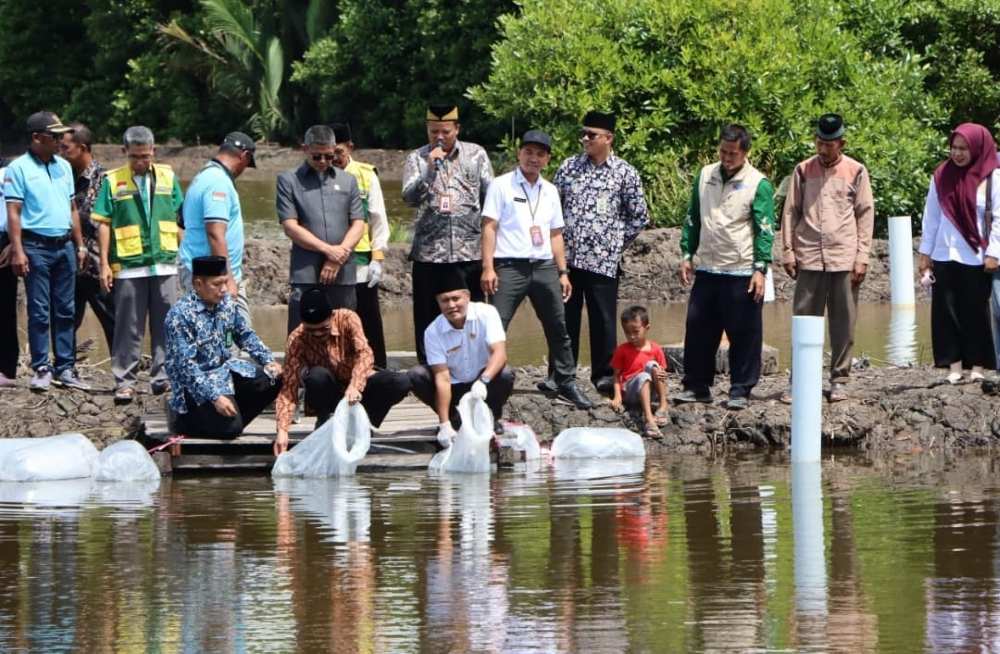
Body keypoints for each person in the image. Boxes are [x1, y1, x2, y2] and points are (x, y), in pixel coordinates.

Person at [480, 129, 592, 409]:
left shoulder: (551, 190)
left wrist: (563, 272)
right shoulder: (501, 185)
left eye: (540, 154)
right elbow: (489, 227)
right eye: (528, 152)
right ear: (519, 153)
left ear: (547, 159)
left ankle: (565, 380)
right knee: (496, 325)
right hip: (508, 266)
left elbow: (555, 234)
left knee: (558, 326)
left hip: (543, 267)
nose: (533, 158)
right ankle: (486, 382)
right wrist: (488, 267)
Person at [548, 110, 650, 397]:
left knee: (603, 319)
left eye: (591, 135)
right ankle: (559, 374)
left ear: (608, 138)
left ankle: (604, 375)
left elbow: (639, 216)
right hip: (568, 259)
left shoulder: (624, 173)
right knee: (564, 319)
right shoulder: (569, 168)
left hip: (603, 261)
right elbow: (553, 209)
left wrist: (616, 243)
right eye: (583, 133)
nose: (585, 139)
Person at [677, 124, 775, 409]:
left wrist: (760, 269)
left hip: (741, 270)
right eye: (722, 151)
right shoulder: (705, 175)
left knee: (744, 333)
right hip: (707, 267)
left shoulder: (759, 183)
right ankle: (697, 386)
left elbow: (765, 229)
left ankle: (740, 389)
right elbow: (693, 217)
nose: (726, 157)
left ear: (745, 152)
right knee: (698, 328)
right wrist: (686, 253)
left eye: (732, 153)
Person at [781, 113, 875, 403]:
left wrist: (862, 256)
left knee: (843, 323)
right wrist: (787, 250)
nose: (822, 149)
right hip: (808, 255)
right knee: (803, 320)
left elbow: (865, 213)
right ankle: (800, 380)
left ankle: (840, 379)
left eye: (829, 144)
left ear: (841, 143)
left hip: (843, 256)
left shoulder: (856, 171)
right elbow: (790, 211)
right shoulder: (803, 170)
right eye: (819, 142)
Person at [92, 126, 184, 403]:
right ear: (125, 153)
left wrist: (186, 257)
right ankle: (125, 381)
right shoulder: (112, 181)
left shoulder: (168, 176)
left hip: (165, 264)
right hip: (129, 265)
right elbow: (103, 224)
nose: (141, 162)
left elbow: (179, 220)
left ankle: (163, 378)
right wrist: (105, 264)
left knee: (167, 324)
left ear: (154, 151)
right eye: (135, 157)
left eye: (145, 156)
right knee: (128, 327)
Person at [3, 111, 89, 391]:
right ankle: (41, 367)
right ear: (37, 138)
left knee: (66, 309)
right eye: (54, 136)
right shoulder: (19, 169)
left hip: (64, 245)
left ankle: (66, 367)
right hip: (35, 246)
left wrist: (80, 245)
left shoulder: (63, 167)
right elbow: (13, 212)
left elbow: (72, 208)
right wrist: (17, 250)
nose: (60, 141)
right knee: (39, 310)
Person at [402, 104, 494, 363]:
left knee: (472, 315)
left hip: (469, 253)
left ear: (457, 129)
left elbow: (490, 198)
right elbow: (408, 198)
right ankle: (429, 369)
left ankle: (473, 366)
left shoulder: (476, 154)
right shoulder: (416, 158)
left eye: (445, 131)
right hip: (430, 254)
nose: (439, 137)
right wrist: (429, 170)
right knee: (428, 316)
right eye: (433, 132)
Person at [272, 288, 412, 455]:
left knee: (400, 382)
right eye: (312, 331)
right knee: (316, 376)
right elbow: (289, 388)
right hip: (328, 391)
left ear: (331, 316)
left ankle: (366, 422)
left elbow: (365, 354)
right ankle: (324, 420)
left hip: (356, 390)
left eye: (323, 329)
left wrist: (355, 386)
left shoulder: (348, 318)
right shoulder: (296, 339)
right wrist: (282, 430)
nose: (318, 334)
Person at [164, 255, 282, 439]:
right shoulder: (179, 316)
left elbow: (244, 334)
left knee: (274, 378)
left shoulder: (226, 304)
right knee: (230, 430)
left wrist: (268, 360)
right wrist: (214, 397)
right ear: (198, 284)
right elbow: (186, 367)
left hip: (225, 375)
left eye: (225, 283)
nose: (224, 289)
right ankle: (186, 420)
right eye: (217, 284)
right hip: (195, 388)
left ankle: (230, 417)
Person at [919, 123, 1000, 383]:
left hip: (976, 255)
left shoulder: (992, 178)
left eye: (963, 148)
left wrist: (994, 252)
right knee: (946, 312)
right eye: (954, 148)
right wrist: (925, 252)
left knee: (975, 312)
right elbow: (931, 217)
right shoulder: (942, 175)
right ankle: (954, 367)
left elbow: (999, 218)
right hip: (944, 253)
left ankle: (977, 365)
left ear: (977, 148)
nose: (957, 154)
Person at [408, 268, 515, 446]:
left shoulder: (487, 313)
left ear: (467, 297)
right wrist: (443, 424)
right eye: (445, 301)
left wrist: (484, 380)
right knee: (416, 374)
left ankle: (491, 416)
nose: (451, 305)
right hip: (454, 386)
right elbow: (442, 378)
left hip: (482, 383)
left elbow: (500, 353)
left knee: (505, 374)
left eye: (455, 299)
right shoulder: (432, 331)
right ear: (438, 303)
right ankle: (452, 419)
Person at [278, 124, 366, 333]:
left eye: (330, 156)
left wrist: (337, 257)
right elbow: (290, 226)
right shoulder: (288, 180)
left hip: (342, 270)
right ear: (305, 149)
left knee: (344, 329)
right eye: (317, 157)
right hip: (305, 271)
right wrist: (329, 251)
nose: (324, 162)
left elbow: (358, 223)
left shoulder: (348, 180)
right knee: (300, 332)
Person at [178, 132, 256, 325]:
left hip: (204, 273)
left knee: (219, 336)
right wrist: (227, 280)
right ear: (244, 156)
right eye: (247, 164)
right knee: (230, 337)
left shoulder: (204, 176)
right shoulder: (217, 182)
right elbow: (215, 233)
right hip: (212, 278)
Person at [331, 122, 390, 369]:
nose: (333, 159)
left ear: (350, 147)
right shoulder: (319, 174)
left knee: (368, 316)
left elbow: (378, 219)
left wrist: (378, 258)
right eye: (329, 153)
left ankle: (377, 368)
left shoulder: (366, 175)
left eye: (338, 153)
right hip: (332, 259)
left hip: (362, 259)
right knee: (336, 317)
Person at [60, 122, 114, 349]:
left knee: (112, 319)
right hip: (69, 263)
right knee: (65, 319)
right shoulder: (63, 178)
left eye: (65, 147)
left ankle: (122, 374)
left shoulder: (104, 180)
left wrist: (106, 263)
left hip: (97, 265)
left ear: (82, 148)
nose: (60, 152)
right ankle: (65, 367)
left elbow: (105, 222)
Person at [609, 306, 668, 437]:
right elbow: (616, 376)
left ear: (647, 328)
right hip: (631, 392)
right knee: (643, 377)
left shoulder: (656, 349)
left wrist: (662, 374)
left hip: (651, 392)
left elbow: (662, 374)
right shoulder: (622, 350)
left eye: (636, 331)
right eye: (627, 332)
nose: (632, 336)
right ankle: (649, 419)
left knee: (654, 366)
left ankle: (663, 406)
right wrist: (617, 396)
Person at [0, 158, 16, 388]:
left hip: (4, 241)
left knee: (4, 307)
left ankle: (6, 368)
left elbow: (20, 209)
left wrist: (14, 243)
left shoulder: (8, 172)